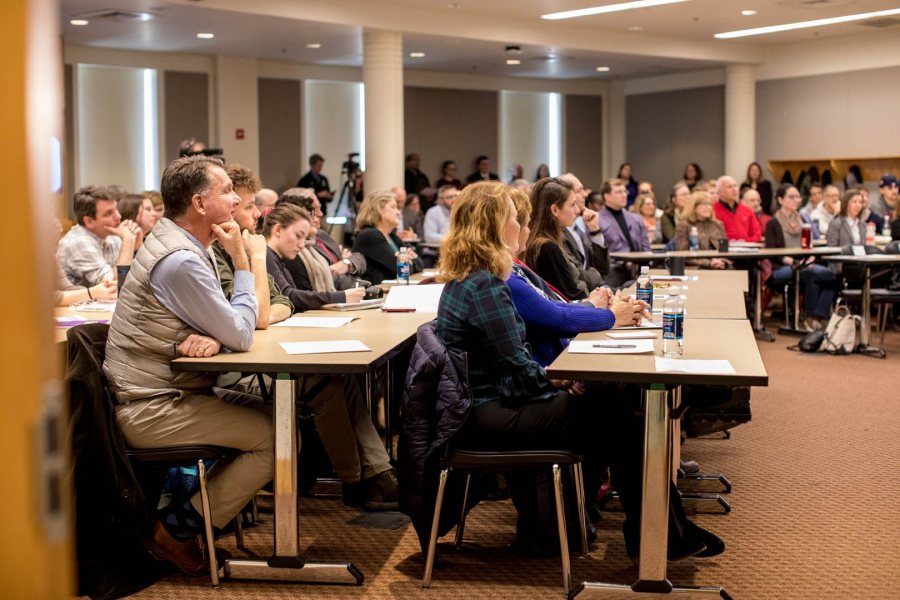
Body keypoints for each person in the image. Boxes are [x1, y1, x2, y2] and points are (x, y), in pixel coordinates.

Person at [435, 180, 723, 559]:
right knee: (619, 415)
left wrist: (561, 379)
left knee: (612, 402)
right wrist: (559, 381)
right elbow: (517, 374)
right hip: (487, 414)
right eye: (513, 218)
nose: (521, 224)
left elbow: (514, 365)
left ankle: (657, 532)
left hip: (489, 404)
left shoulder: (475, 278)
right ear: (494, 226)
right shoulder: (486, 285)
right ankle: (658, 535)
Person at [103, 155, 273, 576]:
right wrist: (241, 261)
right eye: (227, 192)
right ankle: (174, 531)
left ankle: (185, 518)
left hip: (171, 391)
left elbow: (229, 325)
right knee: (278, 440)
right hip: (151, 407)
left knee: (282, 421)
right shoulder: (180, 259)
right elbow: (243, 333)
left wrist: (217, 333)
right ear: (199, 203)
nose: (237, 200)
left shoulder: (186, 244)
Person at [214, 164, 292, 328]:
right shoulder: (212, 252)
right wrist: (258, 257)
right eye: (249, 207)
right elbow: (254, 316)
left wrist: (264, 315)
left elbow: (283, 302)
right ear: (230, 210)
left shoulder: (246, 244)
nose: (258, 213)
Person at [765, 184, 837, 330]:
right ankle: (811, 318)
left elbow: (814, 241)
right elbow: (772, 253)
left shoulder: (804, 218)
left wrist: (810, 257)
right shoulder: (773, 223)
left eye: (798, 197)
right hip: (783, 266)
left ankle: (817, 315)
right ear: (780, 200)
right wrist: (795, 262)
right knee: (812, 276)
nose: (796, 200)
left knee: (831, 276)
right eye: (791, 197)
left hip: (805, 263)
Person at [264, 204, 362, 310]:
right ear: (278, 230)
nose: (302, 245)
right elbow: (288, 296)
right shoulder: (266, 255)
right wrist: (341, 296)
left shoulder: (278, 258)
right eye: (298, 236)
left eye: (305, 238)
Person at [525, 178, 603, 300]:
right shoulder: (547, 248)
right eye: (572, 205)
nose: (577, 210)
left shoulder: (541, 242)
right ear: (555, 210)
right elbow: (571, 296)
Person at [277, 188, 367, 291]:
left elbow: (359, 258)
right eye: (311, 211)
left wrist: (345, 263)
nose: (320, 214)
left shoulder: (321, 235)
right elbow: (329, 280)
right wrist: (349, 272)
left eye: (317, 209)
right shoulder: (294, 251)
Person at [57, 185, 141, 287]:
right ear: (89, 221)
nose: (118, 216)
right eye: (109, 213)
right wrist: (128, 241)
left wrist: (137, 248)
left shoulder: (112, 236)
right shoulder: (77, 242)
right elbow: (117, 284)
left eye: (116, 209)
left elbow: (137, 279)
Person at [352, 190, 424, 285]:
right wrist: (407, 260)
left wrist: (406, 261)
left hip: (393, 287)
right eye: (393, 207)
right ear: (379, 210)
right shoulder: (370, 235)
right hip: (377, 290)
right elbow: (401, 270)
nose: (398, 212)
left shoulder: (391, 235)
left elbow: (420, 263)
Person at [598, 178, 650, 287]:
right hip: (614, 270)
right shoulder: (598, 220)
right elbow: (599, 254)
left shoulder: (637, 219)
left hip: (640, 268)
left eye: (624, 191)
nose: (624, 195)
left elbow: (646, 249)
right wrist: (626, 262)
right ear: (606, 196)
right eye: (618, 192)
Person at [674, 190, 729, 269]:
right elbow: (683, 253)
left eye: (709, 204)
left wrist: (722, 261)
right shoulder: (684, 226)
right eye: (704, 204)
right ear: (694, 207)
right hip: (696, 267)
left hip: (721, 265)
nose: (708, 207)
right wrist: (708, 263)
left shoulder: (718, 224)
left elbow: (725, 250)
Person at [714, 175, 762, 242]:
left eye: (735, 186)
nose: (734, 190)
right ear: (719, 192)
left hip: (746, 247)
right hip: (724, 247)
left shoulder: (747, 210)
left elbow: (757, 234)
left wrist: (745, 242)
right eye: (729, 187)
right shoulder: (713, 210)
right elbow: (713, 236)